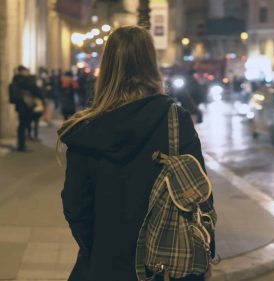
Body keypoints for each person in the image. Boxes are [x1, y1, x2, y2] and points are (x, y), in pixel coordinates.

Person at [58, 26, 215, 281]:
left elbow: (76, 207)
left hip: (105, 266)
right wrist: (205, 250)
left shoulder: (87, 131)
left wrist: (100, 251)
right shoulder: (175, 121)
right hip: (165, 269)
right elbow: (199, 194)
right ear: (151, 64)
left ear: (107, 68)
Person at [9, 65, 39, 151]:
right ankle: (22, 145)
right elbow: (34, 89)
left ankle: (21, 144)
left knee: (22, 125)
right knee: (23, 125)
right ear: (22, 71)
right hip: (26, 106)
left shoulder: (15, 79)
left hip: (20, 106)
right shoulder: (24, 80)